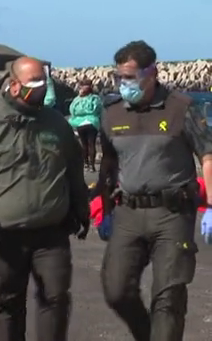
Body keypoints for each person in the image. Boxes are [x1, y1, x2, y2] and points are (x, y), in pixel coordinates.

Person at [0, 56, 90, 341]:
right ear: (14, 86)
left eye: (43, 82)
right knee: (9, 304)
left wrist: (81, 209)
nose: (41, 88)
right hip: (4, 236)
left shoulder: (57, 125)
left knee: (56, 297)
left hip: (51, 233)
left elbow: (73, 168)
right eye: (34, 83)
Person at [97, 40, 212, 341]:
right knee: (116, 289)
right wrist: (105, 212)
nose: (124, 84)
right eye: (119, 77)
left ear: (153, 73)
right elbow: (108, 166)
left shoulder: (182, 108)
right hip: (128, 212)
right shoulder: (112, 114)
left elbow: (208, 157)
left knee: (169, 295)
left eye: (131, 77)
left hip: (172, 213)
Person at [68, 79, 102, 172]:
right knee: (92, 144)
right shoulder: (95, 98)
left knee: (84, 144)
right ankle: (92, 166)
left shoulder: (76, 100)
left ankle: (86, 164)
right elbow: (99, 110)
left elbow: (72, 111)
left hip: (79, 123)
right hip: (92, 122)